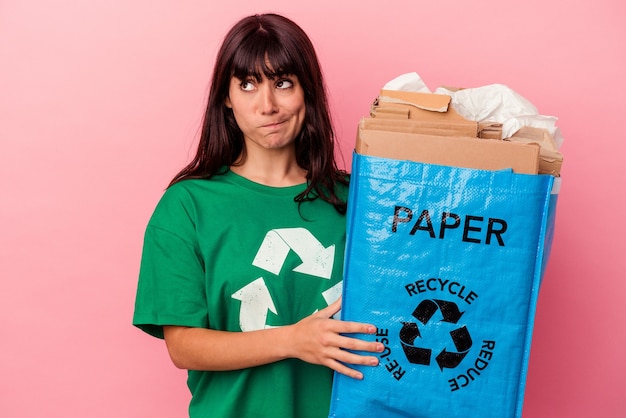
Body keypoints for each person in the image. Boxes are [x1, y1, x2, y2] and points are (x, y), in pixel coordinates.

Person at [133, 13, 383, 418]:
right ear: (226, 97)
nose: (268, 105)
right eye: (247, 84)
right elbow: (183, 346)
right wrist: (293, 341)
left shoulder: (361, 200)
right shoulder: (187, 206)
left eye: (283, 83)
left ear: (307, 91)